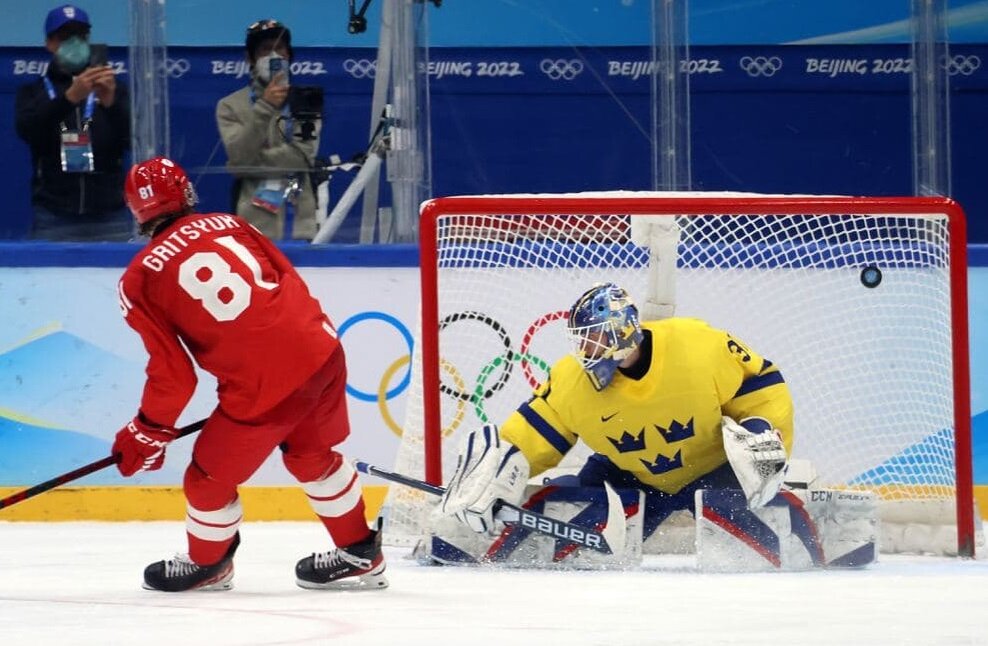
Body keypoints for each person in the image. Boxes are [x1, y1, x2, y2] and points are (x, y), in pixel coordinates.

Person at [110, 157, 386, 592]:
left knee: (205, 478)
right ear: (186, 194)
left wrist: (148, 430)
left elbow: (175, 375)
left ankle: (209, 563)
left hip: (264, 386)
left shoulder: (139, 280)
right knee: (310, 456)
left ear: (137, 211)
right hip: (322, 350)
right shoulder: (231, 223)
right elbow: (287, 279)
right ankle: (359, 551)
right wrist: (301, 347)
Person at [439, 282, 794, 544]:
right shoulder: (572, 380)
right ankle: (460, 540)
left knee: (765, 543)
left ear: (620, 331)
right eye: (580, 339)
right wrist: (498, 469)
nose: (583, 349)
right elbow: (537, 432)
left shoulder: (697, 344)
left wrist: (763, 428)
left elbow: (759, 383)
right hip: (629, 478)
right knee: (565, 532)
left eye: (591, 337)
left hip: (714, 473)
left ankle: (819, 534)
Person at [15, 4, 131, 241]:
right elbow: (30, 133)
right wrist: (68, 99)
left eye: (80, 35)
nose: (74, 42)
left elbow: (133, 140)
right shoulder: (33, 92)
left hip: (111, 216)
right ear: (50, 43)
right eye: (65, 36)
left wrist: (110, 105)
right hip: (54, 215)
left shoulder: (114, 90)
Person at [216, 19, 320, 241]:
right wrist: (265, 106)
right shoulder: (229, 105)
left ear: (289, 55)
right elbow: (239, 156)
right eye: (265, 50)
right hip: (253, 227)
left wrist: (247, 165)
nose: (274, 56)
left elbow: (304, 156)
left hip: (301, 224)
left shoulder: (307, 100)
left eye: (280, 48)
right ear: (250, 59)